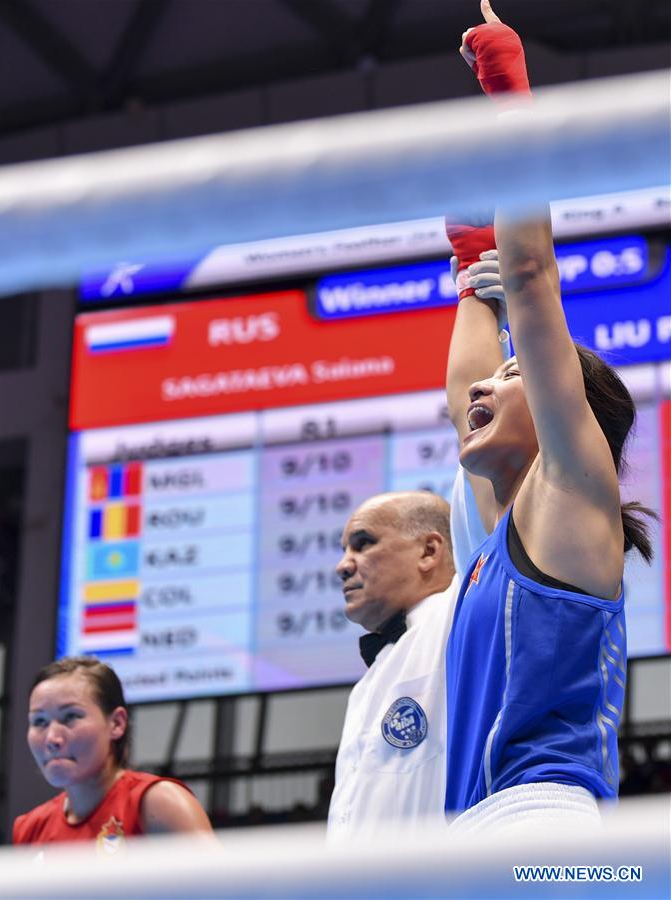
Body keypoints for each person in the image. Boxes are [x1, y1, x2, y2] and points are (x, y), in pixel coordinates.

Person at [443, 1, 657, 834]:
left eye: (514, 369)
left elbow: (530, 276)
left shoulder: (573, 487)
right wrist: (468, 267)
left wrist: (508, 95)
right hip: (477, 829)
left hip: (543, 832)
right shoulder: (505, 530)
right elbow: (463, 387)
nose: (484, 389)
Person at [327, 490, 457, 841]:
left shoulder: (459, 619)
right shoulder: (369, 683)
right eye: (344, 550)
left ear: (429, 551)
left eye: (363, 543)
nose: (343, 565)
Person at [13, 656, 214, 849]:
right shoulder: (30, 829)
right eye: (39, 722)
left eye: (70, 717)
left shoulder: (159, 803)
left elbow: (222, 883)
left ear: (117, 723)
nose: (51, 739)